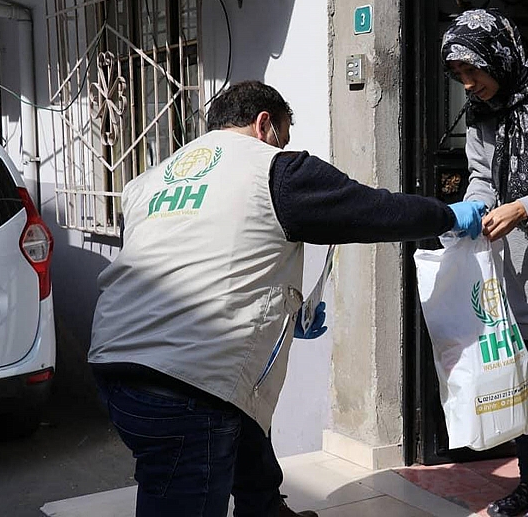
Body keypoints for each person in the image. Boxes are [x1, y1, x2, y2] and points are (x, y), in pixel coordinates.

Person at [88, 81, 486, 517]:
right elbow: (374, 210)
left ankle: (265, 509)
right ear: (264, 124)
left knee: (242, 420)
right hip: (187, 383)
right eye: (283, 135)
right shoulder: (278, 171)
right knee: (187, 481)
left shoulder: (149, 181)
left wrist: (280, 312)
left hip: (114, 362)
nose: (283, 146)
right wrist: (447, 215)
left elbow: (193, 262)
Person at [441, 9, 528, 517]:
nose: (469, 84)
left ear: (497, 55)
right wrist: (470, 211)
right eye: (459, 76)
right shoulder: (481, 114)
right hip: (508, 278)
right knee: (521, 388)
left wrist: (523, 207)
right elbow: (480, 177)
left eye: (473, 70)